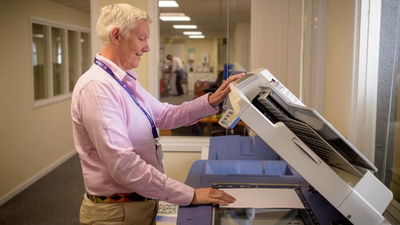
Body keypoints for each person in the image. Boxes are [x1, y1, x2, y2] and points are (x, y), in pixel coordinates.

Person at [71, 3, 243, 225]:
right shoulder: (97, 87)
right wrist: (189, 194)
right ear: (116, 35)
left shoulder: (124, 80)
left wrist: (212, 100)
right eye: (142, 38)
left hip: (140, 204)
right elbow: (124, 165)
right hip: (116, 213)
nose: (147, 48)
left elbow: (166, 115)